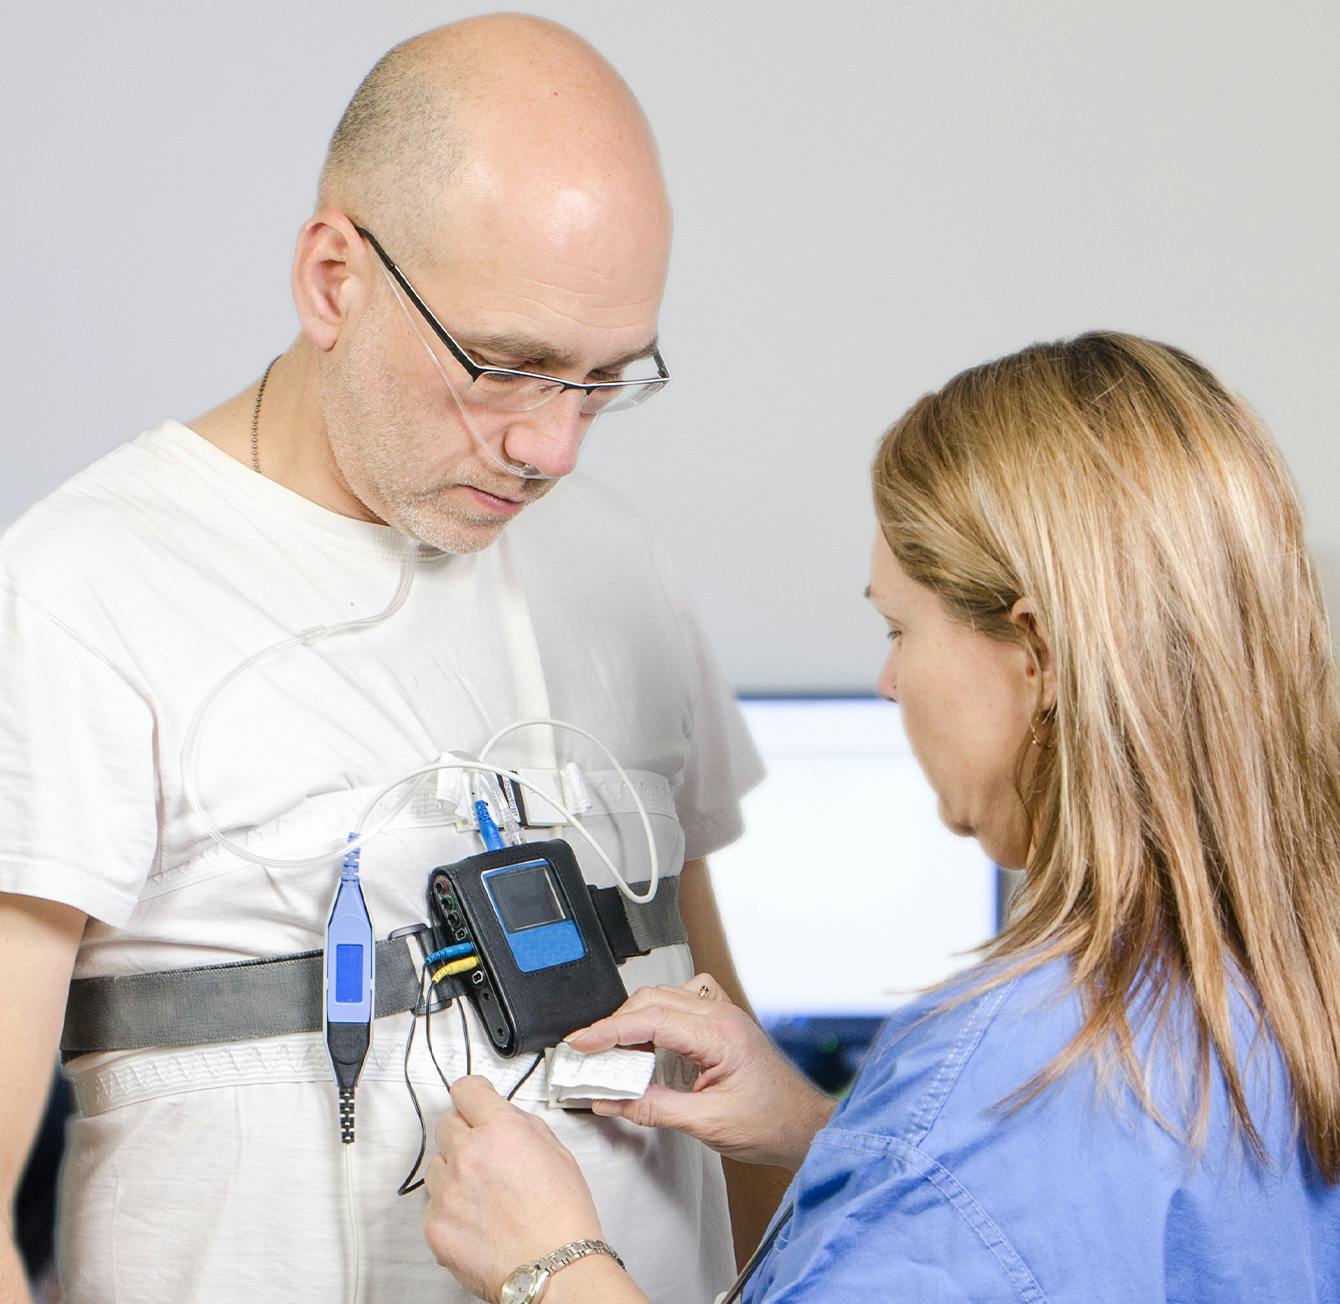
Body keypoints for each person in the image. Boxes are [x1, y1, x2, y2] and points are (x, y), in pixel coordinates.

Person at [0, 16, 775, 1304]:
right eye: (507, 366)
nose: (551, 448)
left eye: (600, 380)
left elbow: (720, 1056)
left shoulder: (619, 563)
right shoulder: (83, 586)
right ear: (332, 279)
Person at [422, 331, 1340, 1303]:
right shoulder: (1278, 979)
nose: (888, 679)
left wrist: (551, 1263)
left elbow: (1006, 1186)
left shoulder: (1009, 1079)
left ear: (1036, 655)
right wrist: (838, 1136)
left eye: (900, 628)